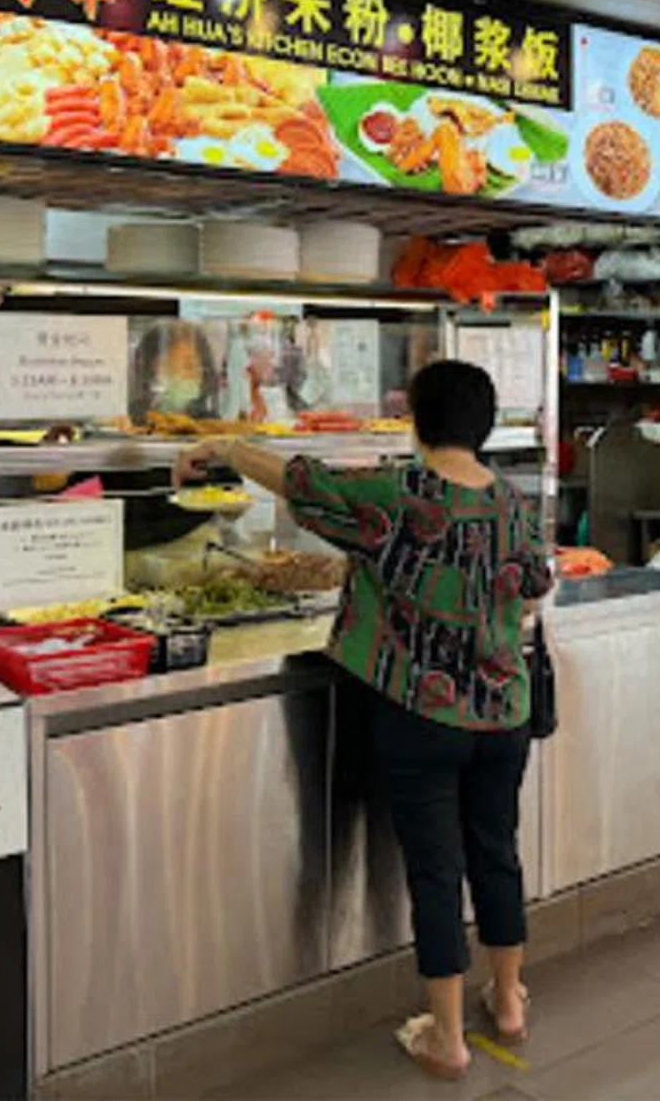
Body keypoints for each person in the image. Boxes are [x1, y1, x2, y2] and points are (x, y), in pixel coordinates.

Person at [175, 360, 552, 1080]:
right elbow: (532, 593)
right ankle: (508, 1001)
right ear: (482, 424)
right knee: (497, 854)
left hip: (420, 715)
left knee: (435, 871)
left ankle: (447, 1038)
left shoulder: (399, 492)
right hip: (503, 714)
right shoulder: (512, 501)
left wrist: (226, 447)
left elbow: (301, 482)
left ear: (417, 422)